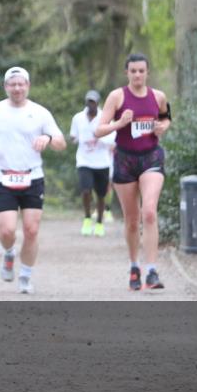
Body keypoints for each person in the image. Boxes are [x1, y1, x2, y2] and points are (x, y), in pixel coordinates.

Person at [0, 67, 66, 294]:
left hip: (32, 177)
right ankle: (8, 252)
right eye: (12, 84)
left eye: (21, 84)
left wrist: (47, 138)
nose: (17, 88)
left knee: (31, 230)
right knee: (6, 231)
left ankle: (25, 275)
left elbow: (61, 142)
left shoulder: (40, 113)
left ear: (28, 86)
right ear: (6, 87)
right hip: (4, 177)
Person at [94, 53, 171, 291]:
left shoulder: (158, 96)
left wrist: (161, 127)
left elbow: (167, 118)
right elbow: (98, 131)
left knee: (148, 212)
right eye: (133, 71)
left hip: (151, 157)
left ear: (147, 72)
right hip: (125, 159)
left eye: (141, 71)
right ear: (127, 73)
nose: (137, 75)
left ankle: (152, 271)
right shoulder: (117, 97)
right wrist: (119, 124)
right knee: (131, 220)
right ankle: (134, 266)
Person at [68, 89, 115, 237]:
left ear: (98, 103)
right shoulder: (78, 118)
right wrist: (76, 139)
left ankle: (100, 222)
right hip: (84, 160)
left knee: (101, 194)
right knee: (86, 190)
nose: (91, 104)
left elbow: (113, 139)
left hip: (102, 161)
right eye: (89, 102)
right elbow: (73, 136)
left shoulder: (105, 118)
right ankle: (87, 218)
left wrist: (98, 136)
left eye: (93, 102)